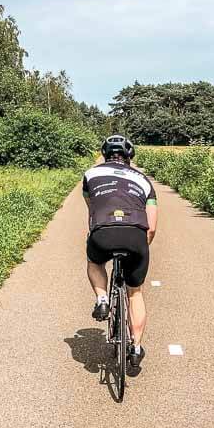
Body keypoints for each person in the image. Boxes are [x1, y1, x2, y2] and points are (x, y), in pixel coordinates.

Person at [82, 135, 158, 369]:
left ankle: (102, 298)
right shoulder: (144, 181)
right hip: (135, 235)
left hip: (103, 231)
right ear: (129, 156)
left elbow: (91, 207)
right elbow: (152, 226)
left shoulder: (90, 174)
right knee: (134, 293)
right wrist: (141, 248)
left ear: (104, 154)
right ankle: (135, 349)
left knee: (94, 262)